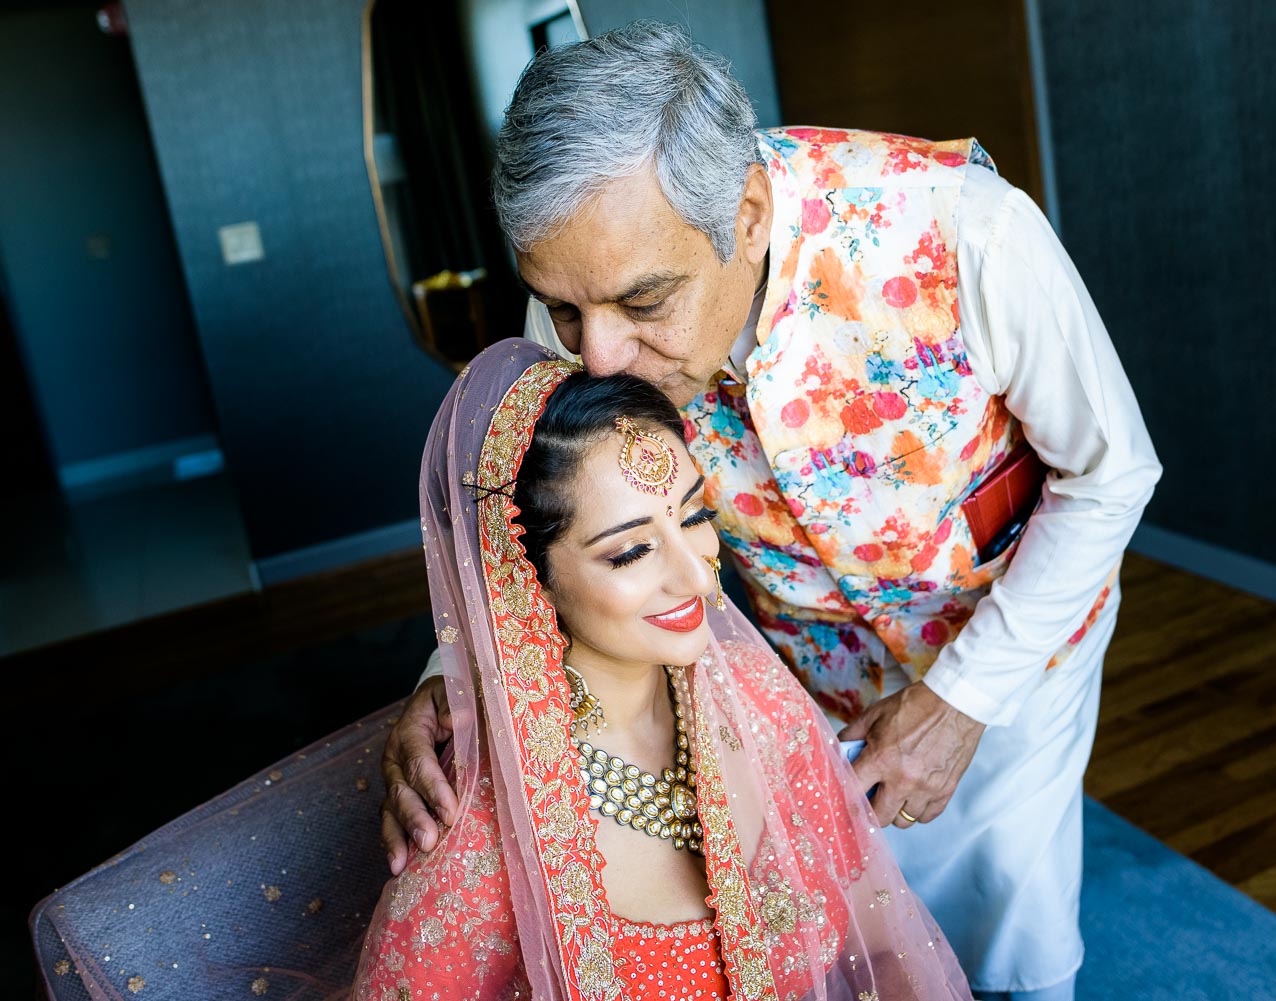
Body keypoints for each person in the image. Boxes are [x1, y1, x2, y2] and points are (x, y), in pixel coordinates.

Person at [381, 22, 1162, 1000]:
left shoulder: (969, 232)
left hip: (1011, 637)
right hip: (801, 672)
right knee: (838, 922)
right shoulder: (584, 313)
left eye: (642, 301)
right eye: (566, 310)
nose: (600, 357)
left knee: (1016, 909)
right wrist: (449, 671)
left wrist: (962, 697)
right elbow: (530, 519)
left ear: (747, 212)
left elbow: (1111, 471)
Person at [356, 338, 972, 1000]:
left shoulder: (758, 700)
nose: (695, 572)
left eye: (696, 514)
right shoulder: (475, 835)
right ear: (525, 575)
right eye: (631, 551)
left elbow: (880, 942)